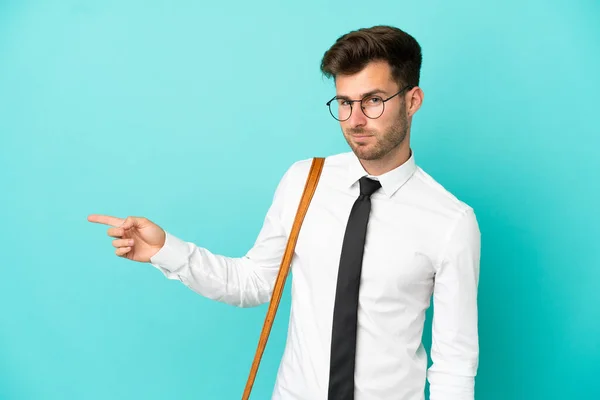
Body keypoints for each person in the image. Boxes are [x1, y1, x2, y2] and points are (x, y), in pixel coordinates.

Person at [88, 25, 480, 400]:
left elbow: (453, 365)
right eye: (345, 103)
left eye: (373, 101)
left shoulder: (450, 222)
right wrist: (164, 250)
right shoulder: (305, 182)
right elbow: (253, 282)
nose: (355, 120)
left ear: (412, 101)